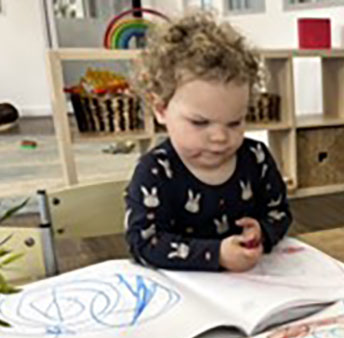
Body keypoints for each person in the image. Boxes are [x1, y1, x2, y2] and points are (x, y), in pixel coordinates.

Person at [125, 12, 291, 272]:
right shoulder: (154, 171)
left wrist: (263, 231)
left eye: (235, 122)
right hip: (182, 297)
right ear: (161, 109)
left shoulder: (256, 158)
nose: (220, 138)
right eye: (200, 123)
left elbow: (279, 212)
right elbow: (143, 243)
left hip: (251, 293)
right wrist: (216, 255)